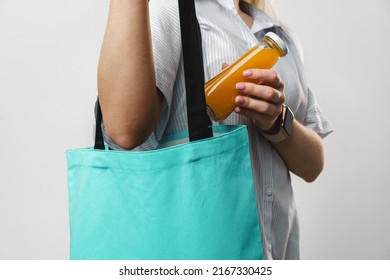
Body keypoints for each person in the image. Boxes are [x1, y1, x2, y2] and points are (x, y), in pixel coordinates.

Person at [97, 0, 333, 259]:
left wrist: (276, 121)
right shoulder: (169, 11)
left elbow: (313, 164)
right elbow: (125, 131)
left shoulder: (278, 35)